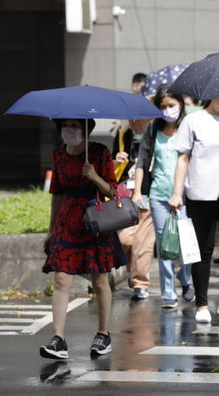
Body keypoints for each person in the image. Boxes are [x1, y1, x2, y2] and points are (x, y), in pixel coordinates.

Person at [41, 118, 125, 359]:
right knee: (60, 279)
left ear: (86, 129)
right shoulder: (58, 154)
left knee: (99, 280)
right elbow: (56, 193)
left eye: (76, 126)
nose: (70, 130)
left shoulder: (99, 152)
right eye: (66, 126)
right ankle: (58, 339)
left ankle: (103, 333)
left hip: (95, 221)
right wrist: (51, 229)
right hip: (68, 221)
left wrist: (95, 176)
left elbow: (112, 191)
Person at [169, 97, 219, 323]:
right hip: (200, 191)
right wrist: (176, 192)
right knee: (203, 249)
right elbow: (183, 158)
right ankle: (201, 304)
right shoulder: (193, 120)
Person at [133, 85, 193, 309]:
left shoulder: (189, 128)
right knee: (165, 245)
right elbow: (142, 162)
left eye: (172, 105)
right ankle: (168, 293)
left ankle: (185, 278)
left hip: (187, 197)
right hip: (158, 195)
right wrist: (139, 192)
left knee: (185, 243)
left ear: (180, 105)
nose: (168, 110)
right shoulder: (152, 130)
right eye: (163, 106)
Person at [112, 118, 155, 300]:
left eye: (141, 119)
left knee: (143, 243)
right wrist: (116, 161)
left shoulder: (155, 135)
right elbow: (112, 169)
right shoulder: (123, 135)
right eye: (133, 119)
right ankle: (133, 272)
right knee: (125, 239)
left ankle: (140, 284)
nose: (137, 122)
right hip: (125, 194)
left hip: (150, 193)